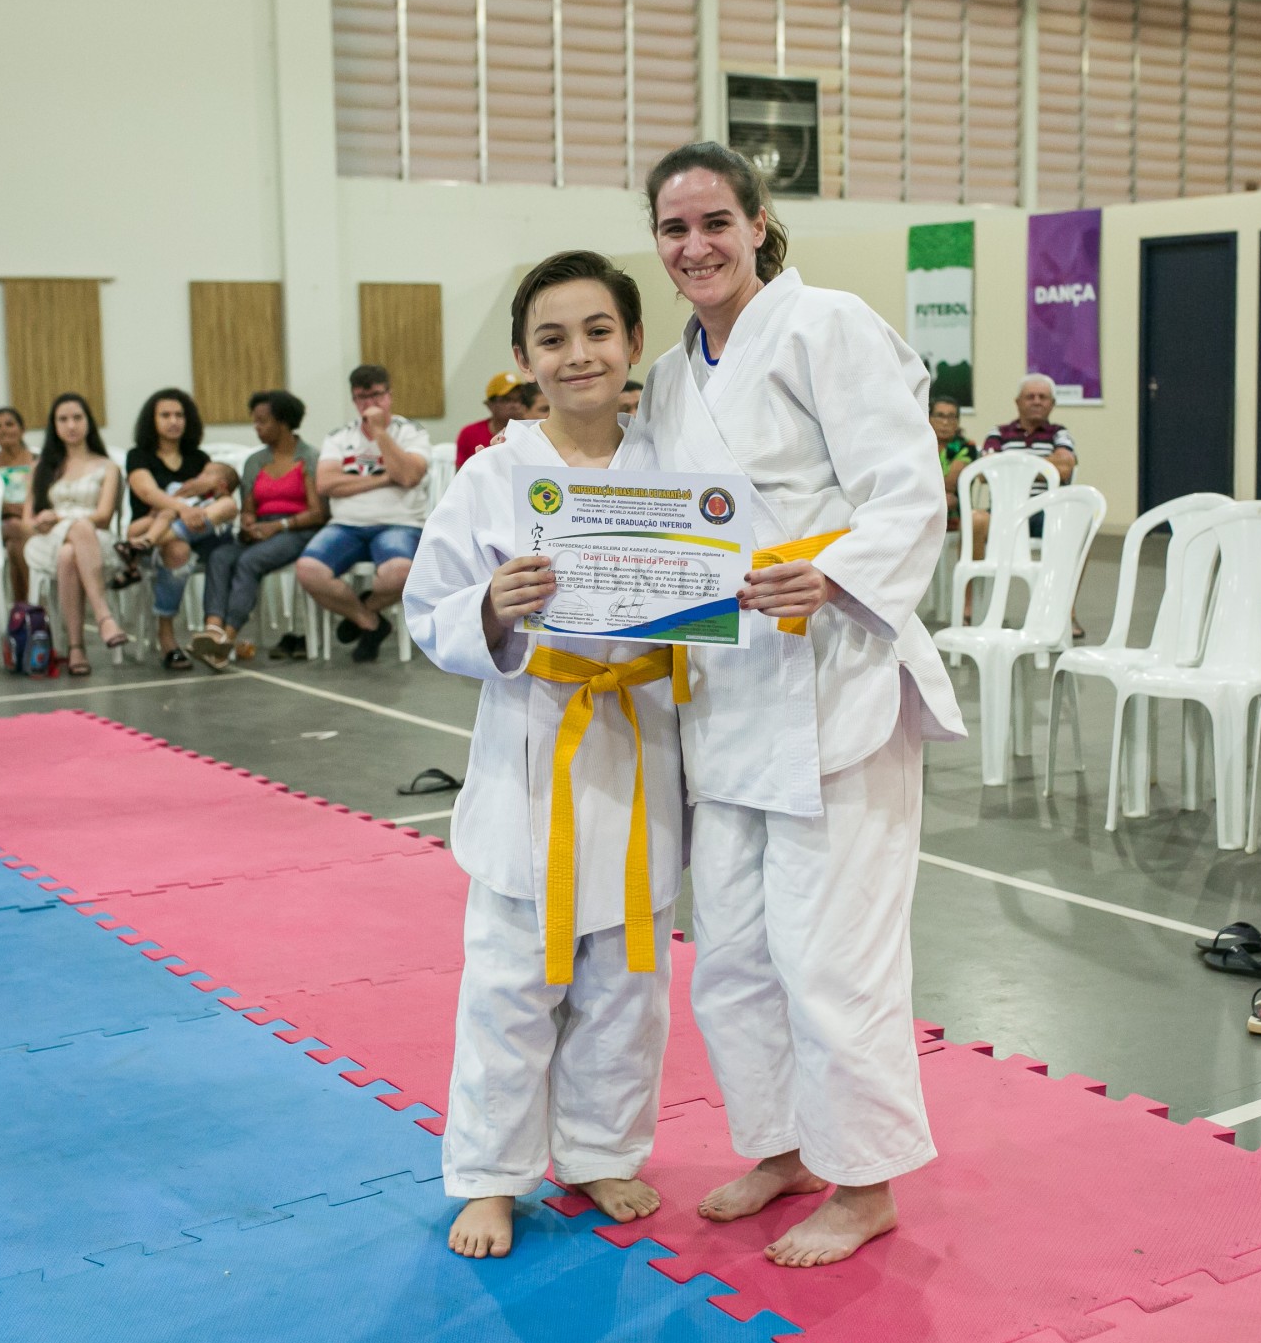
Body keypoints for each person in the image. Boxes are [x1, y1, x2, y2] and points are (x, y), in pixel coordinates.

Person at [636, 143, 964, 1267]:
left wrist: (830, 573)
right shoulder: (670, 377)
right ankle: (783, 1148)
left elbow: (907, 491)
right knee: (733, 951)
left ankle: (864, 1183)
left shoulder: (828, 325)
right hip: (725, 690)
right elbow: (658, 527)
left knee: (831, 955)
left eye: (714, 222)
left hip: (835, 675)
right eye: (674, 229)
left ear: (759, 222)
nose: (696, 246)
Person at [406, 249, 678, 1260]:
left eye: (599, 332)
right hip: (534, 745)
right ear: (523, 358)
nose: (579, 355)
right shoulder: (492, 475)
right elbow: (428, 609)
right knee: (509, 983)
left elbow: (716, 581)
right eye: (552, 339)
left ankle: (602, 1149)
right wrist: (490, 605)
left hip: (640, 738)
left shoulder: (673, 465)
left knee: (627, 984)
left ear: (634, 342)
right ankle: (490, 1174)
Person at [296, 365, 431, 664]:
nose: (370, 403)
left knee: (401, 573)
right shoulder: (339, 436)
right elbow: (326, 484)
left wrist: (380, 432)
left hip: (400, 523)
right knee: (308, 570)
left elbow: (409, 476)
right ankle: (370, 622)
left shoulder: (411, 432)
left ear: (389, 395)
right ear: (354, 400)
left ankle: (363, 612)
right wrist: (384, 478)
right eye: (362, 398)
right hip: (346, 525)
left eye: (377, 395)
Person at [190, 389, 326, 672]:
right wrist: (248, 522)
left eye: (263, 421)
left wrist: (279, 525)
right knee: (220, 556)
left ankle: (227, 638)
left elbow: (318, 513)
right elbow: (248, 507)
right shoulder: (255, 462)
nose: (257, 427)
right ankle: (213, 630)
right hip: (262, 528)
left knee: (250, 561)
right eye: (255, 421)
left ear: (284, 422)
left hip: (298, 529)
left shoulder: (309, 458)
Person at [122, 388, 235, 670]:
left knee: (228, 506)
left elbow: (217, 494)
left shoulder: (199, 458)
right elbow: (148, 493)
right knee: (178, 549)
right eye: (165, 415)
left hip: (193, 530)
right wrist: (182, 508)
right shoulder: (139, 456)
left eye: (179, 415)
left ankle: (145, 543)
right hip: (155, 527)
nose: (174, 421)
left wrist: (203, 503)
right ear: (152, 421)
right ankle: (166, 635)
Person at [23, 393, 130, 678]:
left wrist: (62, 518)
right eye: (63, 419)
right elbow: (26, 520)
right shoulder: (41, 467)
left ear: (88, 422)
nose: (71, 425)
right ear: (54, 425)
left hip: (96, 540)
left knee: (70, 551)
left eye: (77, 418)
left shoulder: (107, 467)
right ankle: (104, 617)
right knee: (73, 535)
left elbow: (103, 516)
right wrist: (43, 522)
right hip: (46, 540)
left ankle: (76, 648)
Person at [0, 406, 36, 602]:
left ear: (22, 429)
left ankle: (23, 605)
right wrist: (17, 509)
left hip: (33, 524)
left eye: (9, 424)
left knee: (14, 543)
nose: (4, 430)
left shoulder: (37, 460)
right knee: (14, 526)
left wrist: (24, 513)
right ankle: (35, 600)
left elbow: (45, 497)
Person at [981, 375, 1077, 485]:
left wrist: (1009, 466)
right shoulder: (998, 432)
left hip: (1048, 497)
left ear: (1052, 404)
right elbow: (984, 472)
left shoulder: (1060, 433)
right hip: (1007, 497)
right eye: (1030, 397)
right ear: (1018, 402)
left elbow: (1064, 468)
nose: (1037, 402)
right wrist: (1046, 468)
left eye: (1042, 397)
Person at [930, 396, 982, 558]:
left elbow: (951, 483)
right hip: (925, 505)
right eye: (940, 416)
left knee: (948, 501)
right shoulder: (920, 444)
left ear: (958, 422)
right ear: (929, 418)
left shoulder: (967, 446)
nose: (945, 422)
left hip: (956, 513)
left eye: (951, 417)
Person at [455, 370, 527, 469]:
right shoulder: (469, 434)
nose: (515, 405)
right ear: (490, 405)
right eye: (507, 400)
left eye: (519, 399)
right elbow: (461, 474)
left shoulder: (530, 431)